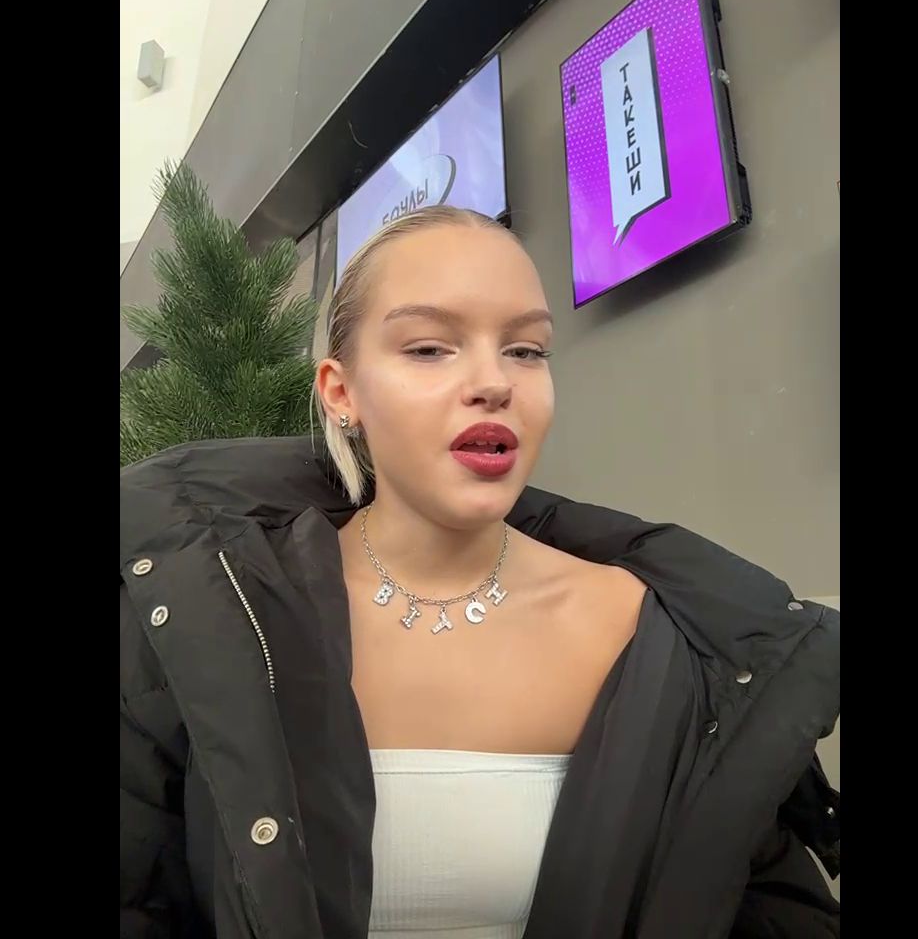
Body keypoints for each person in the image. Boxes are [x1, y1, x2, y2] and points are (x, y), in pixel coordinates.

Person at [120, 206, 840, 939]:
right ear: (341, 392)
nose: (494, 383)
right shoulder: (218, 619)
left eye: (526, 350)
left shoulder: (663, 639)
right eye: (430, 348)